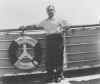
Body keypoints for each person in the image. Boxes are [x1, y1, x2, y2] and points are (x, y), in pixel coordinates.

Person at [39, 5, 70, 83]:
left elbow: (68, 26)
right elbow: (35, 25)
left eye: (52, 10)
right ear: (47, 12)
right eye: (49, 10)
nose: (50, 11)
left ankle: (59, 76)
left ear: (54, 11)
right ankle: (50, 76)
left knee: (59, 58)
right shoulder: (44, 21)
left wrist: (63, 31)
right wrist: (25, 27)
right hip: (49, 39)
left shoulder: (59, 19)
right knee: (49, 59)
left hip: (58, 39)